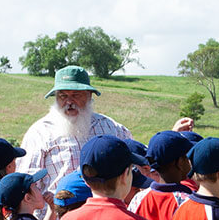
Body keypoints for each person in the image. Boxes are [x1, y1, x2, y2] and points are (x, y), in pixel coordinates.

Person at [18, 65, 192, 205]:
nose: (69, 102)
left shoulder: (110, 127)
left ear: (89, 96)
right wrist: (49, 199)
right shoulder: (39, 133)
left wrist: (171, 139)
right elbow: (25, 182)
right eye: (63, 96)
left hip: (108, 216)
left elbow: (141, 161)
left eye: (76, 95)